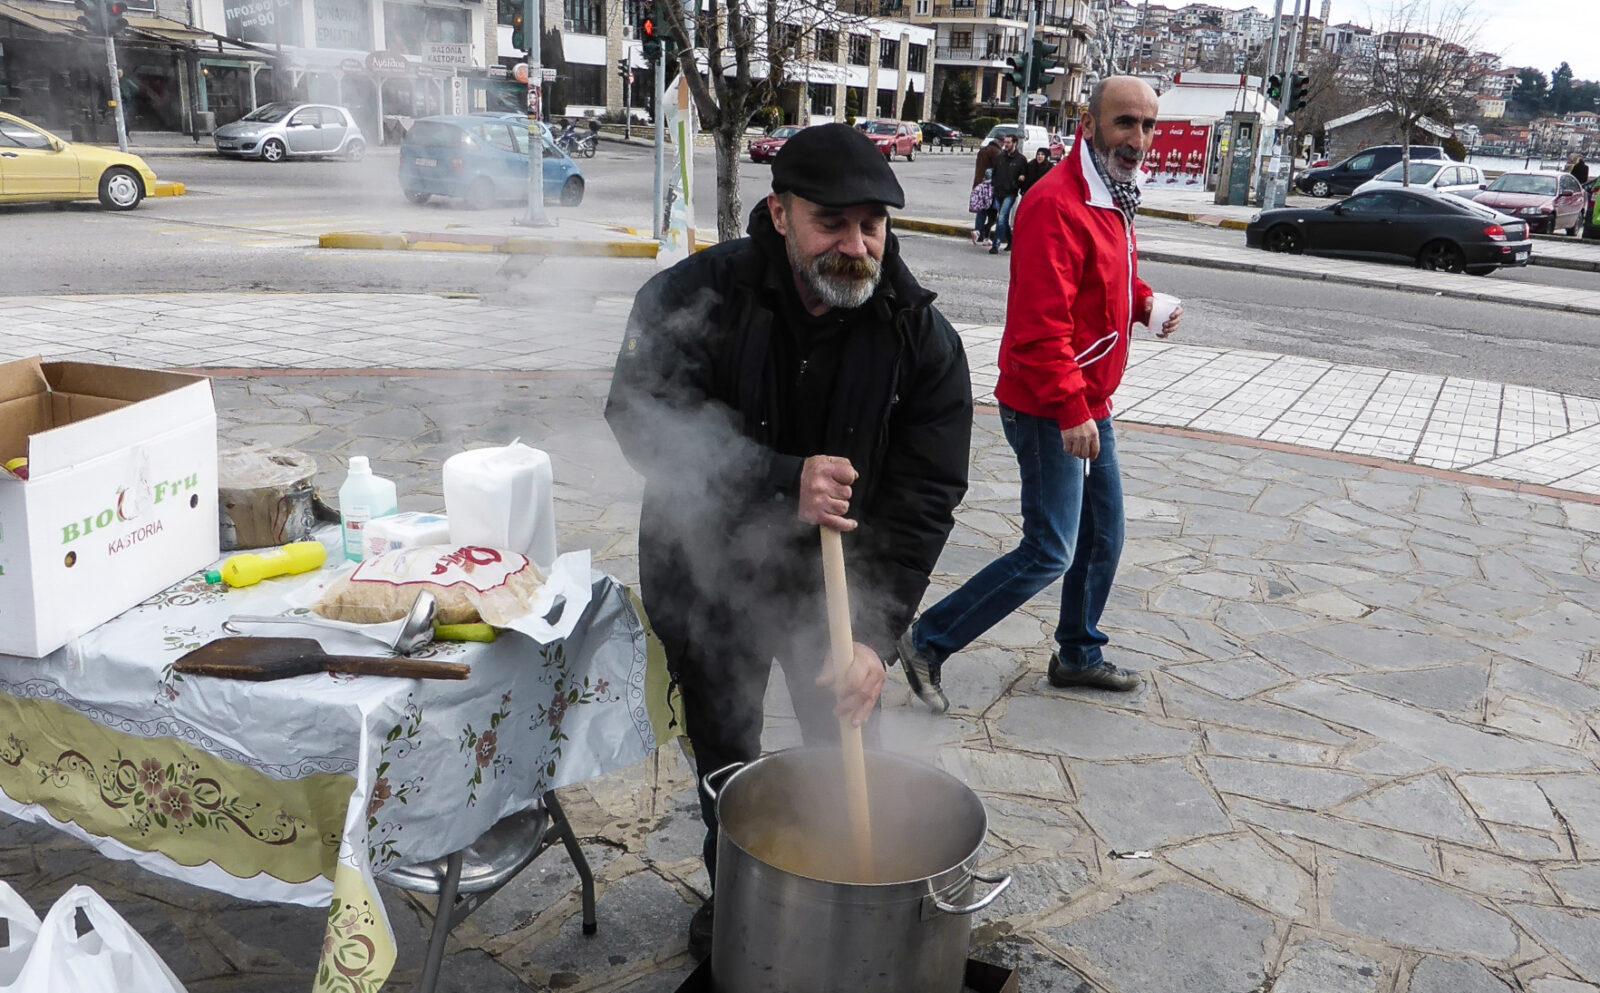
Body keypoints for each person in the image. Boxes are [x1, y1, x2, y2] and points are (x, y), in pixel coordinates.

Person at [605, 123, 973, 959]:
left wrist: (876, 641)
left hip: (832, 598)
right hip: (705, 574)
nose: (855, 245)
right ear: (779, 213)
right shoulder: (693, 297)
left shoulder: (920, 339)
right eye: (832, 223)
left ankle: (847, 905)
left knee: (844, 751)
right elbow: (638, 420)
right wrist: (781, 475)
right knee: (727, 757)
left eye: (872, 224)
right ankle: (738, 893)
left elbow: (925, 496)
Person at [896, 76, 1183, 713]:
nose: (1138, 139)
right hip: (1048, 402)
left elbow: (1108, 280)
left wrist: (1145, 304)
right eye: (1125, 123)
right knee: (1051, 547)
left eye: (1148, 126)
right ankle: (928, 640)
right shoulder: (1057, 202)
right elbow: (1039, 327)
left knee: (1104, 535)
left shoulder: (1110, 192)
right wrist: (1072, 409)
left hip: (1086, 398)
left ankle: (1078, 654)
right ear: (1090, 122)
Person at [988, 134, 1027, 254]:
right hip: (998, 191)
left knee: (1001, 218)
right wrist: (994, 185)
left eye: (1009, 142)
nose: (1006, 144)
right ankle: (1011, 241)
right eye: (1005, 142)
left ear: (1014, 143)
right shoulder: (1000, 157)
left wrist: (1017, 184)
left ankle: (996, 244)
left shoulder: (1021, 159)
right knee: (1003, 219)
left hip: (1010, 193)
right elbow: (994, 172)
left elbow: (1024, 175)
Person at [972, 135, 1002, 245]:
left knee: (981, 211)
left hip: (979, 185)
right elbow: (999, 169)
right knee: (993, 213)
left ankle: (977, 232)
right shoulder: (996, 152)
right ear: (1000, 142)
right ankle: (983, 234)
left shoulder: (983, 150)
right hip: (989, 187)